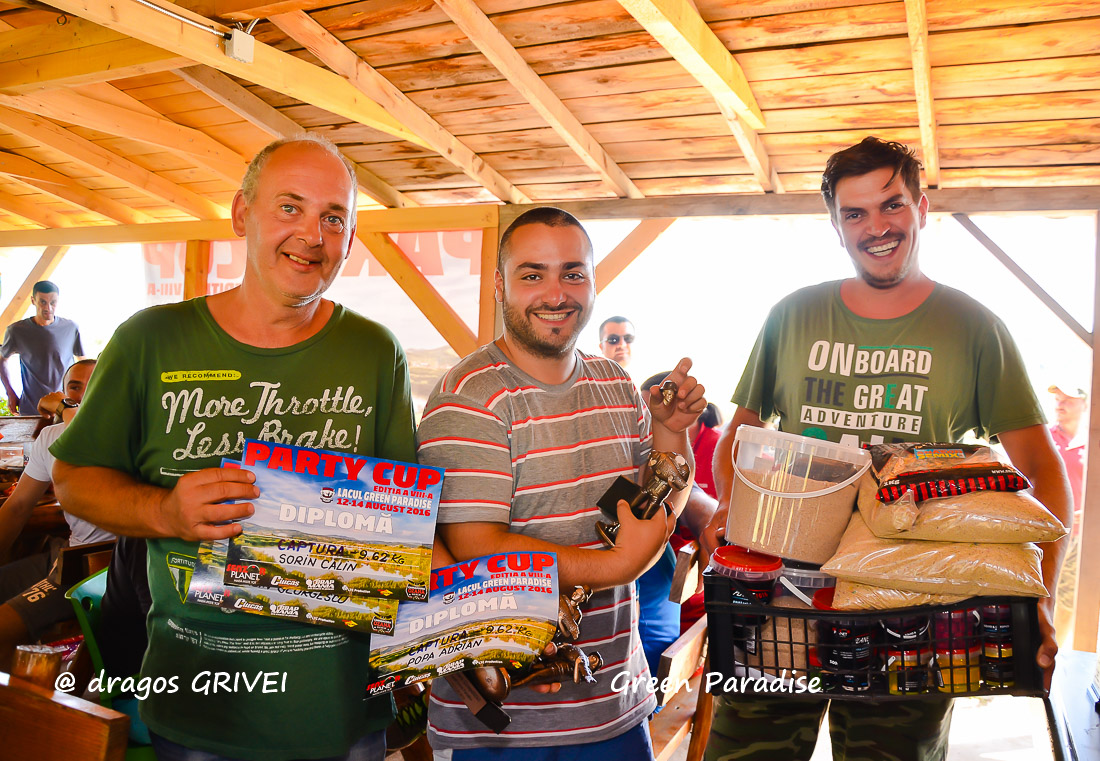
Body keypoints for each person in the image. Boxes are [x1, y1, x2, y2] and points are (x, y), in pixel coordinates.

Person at [51, 135, 418, 761]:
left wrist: (483, 624)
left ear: (351, 238)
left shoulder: (376, 351)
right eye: (290, 207)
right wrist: (164, 512)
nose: (312, 235)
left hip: (339, 709)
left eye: (334, 218)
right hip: (199, 707)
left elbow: (404, 528)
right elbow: (72, 479)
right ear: (242, 213)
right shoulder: (149, 340)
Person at [704, 137, 1072, 761]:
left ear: (921, 208)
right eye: (855, 213)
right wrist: (728, 510)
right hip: (786, 603)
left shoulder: (974, 326)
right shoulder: (793, 315)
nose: (876, 227)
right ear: (836, 226)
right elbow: (741, 437)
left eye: (892, 205)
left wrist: (1040, 596)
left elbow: (1040, 468)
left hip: (912, 613)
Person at [416, 207, 706, 758]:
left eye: (573, 273)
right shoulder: (470, 396)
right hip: (509, 725)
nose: (556, 293)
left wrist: (672, 431)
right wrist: (618, 566)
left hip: (617, 702)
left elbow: (653, 501)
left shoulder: (616, 384)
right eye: (533, 274)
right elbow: (475, 547)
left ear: (592, 282)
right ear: (500, 284)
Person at [0, 358, 105, 668]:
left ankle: (24, 696)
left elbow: (88, 430)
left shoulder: (122, 434)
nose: (83, 395)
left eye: (95, 385)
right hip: (64, 556)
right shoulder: (50, 437)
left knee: (3, 626)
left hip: (98, 566)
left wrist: (63, 405)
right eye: (74, 388)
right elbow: (17, 507)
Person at [1, 280, 83, 414]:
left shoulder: (71, 328)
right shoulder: (16, 330)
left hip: (65, 408)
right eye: (43, 302)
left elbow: (83, 364)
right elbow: (2, 360)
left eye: (53, 302)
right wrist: (10, 392)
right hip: (31, 409)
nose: (48, 308)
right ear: (33, 301)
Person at [1049, 383, 1086, 641]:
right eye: (1057, 399)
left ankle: (1057, 652)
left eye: (1068, 399)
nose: (1060, 404)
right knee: (1044, 595)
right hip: (1052, 533)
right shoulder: (1047, 440)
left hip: (1081, 538)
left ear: (1084, 404)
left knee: (1068, 600)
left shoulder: (1090, 443)